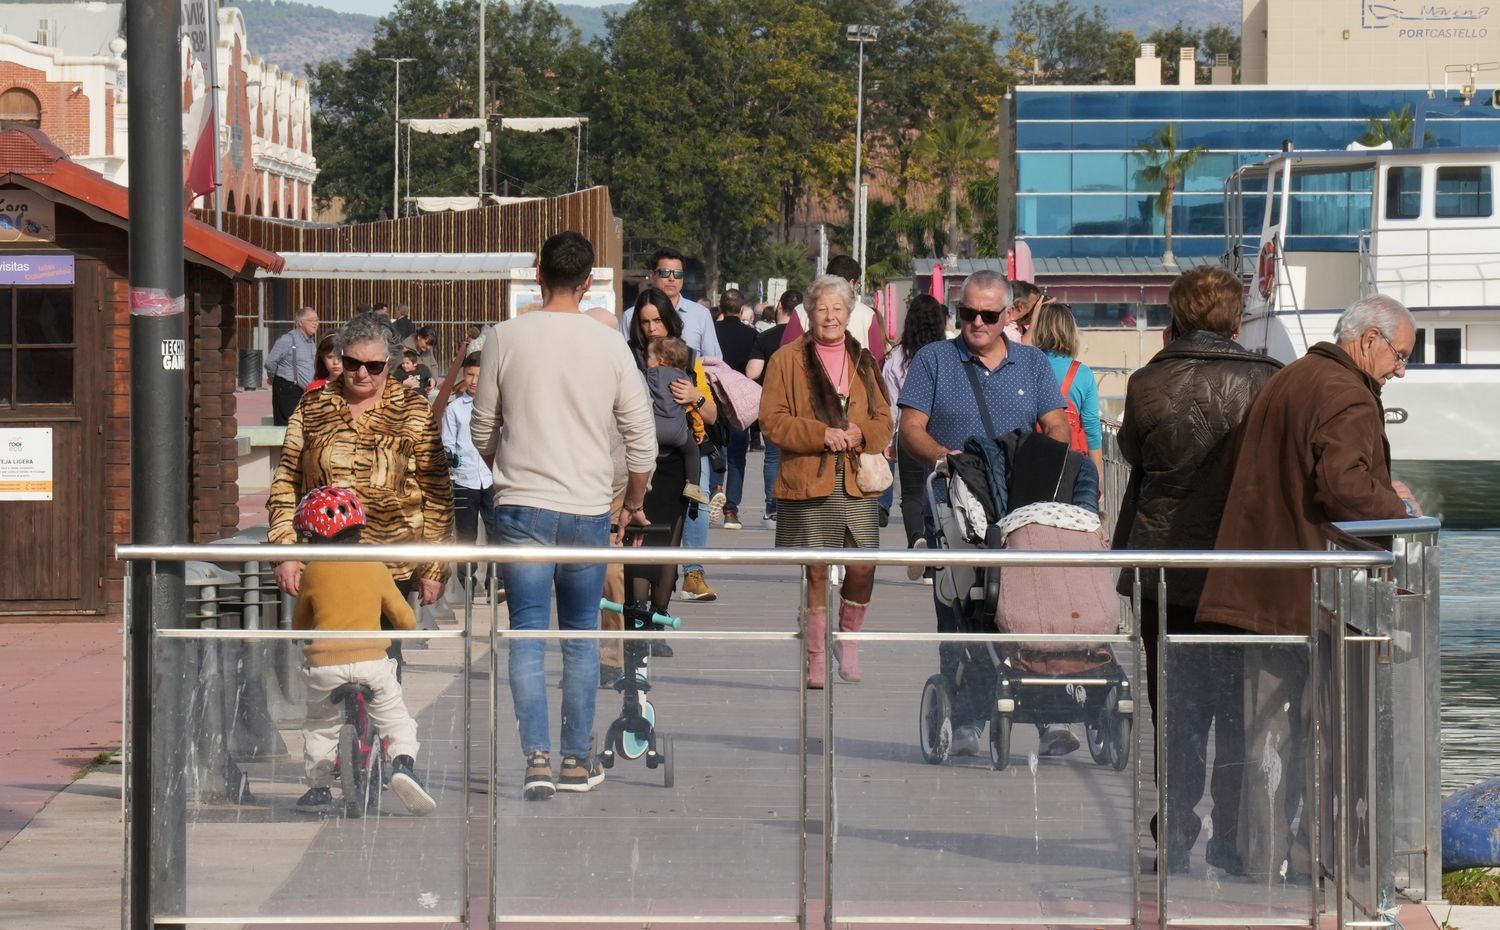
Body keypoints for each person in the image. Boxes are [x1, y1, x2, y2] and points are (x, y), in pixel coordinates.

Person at [1197, 294, 1418, 882]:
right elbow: (1344, 487)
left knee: (1267, 735)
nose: (1401, 370)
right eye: (1399, 355)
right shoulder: (1347, 392)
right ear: (1367, 341)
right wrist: (1396, 508)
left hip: (1260, 586)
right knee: (1327, 736)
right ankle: (1327, 867)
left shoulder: (1289, 379)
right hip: (1314, 594)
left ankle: (1262, 863)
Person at [471, 231, 657, 801]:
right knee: (579, 636)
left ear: (536, 273)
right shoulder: (609, 346)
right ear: (586, 283)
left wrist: (510, 463)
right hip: (586, 508)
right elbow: (642, 443)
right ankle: (578, 759)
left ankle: (537, 758)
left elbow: (480, 432)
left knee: (527, 634)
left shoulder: (504, 337)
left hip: (522, 505)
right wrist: (630, 502)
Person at [1112, 264, 1282, 874]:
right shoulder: (1268, 382)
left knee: (1175, 710)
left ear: (1175, 318)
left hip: (1164, 565)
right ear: (1237, 321)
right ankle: (1232, 842)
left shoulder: (1146, 384)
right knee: (1240, 710)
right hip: (1240, 567)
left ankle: (1174, 836)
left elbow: (1133, 453)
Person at [897, 270, 1071, 755]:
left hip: (1020, 507)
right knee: (960, 612)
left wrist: (1048, 465)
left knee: (1034, 613)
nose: (976, 322)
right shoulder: (936, 359)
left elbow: (1056, 424)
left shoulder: (1033, 363)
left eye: (988, 315)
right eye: (967, 312)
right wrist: (944, 459)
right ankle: (970, 720)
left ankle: (1048, 718)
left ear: (1008, 315)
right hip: (955, 506)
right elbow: (911, 426)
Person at [268, 311, 454, 669]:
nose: (362, 373)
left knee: (384, 664)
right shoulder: (314, 405)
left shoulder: (413, 410)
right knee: (326, 663)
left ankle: (379, 727)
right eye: (352, 363)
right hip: (323, 564)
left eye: (374, 366)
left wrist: (435, 566)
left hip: (391, 563)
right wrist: (285, 551)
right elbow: (286, 479)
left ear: (391, 364)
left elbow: (437, 495)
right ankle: (339, 725)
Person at [760, 274, 893, 689]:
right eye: (822, 309)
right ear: (809, 314)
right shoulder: (786, 359)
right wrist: (822, 434)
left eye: (838, 309)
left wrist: (861, 433)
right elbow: (772, 421)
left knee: (864, 564)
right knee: (816, 570)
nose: (830, 316)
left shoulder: (864, 360)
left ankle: (847, 641)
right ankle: (815, 656)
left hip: (855, 480)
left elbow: (884, 419)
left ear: (850, 314)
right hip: (808, 478)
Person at [288, 486, 436, 817]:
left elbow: (300, 624)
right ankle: (402, 764)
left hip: (325, 667)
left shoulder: (313, 571)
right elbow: (405, 619)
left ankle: (319, 786)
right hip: (371, 661)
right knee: (395, 718)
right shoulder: (376, 567)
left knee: (320, 725)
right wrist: (404, 629)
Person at [619, 249, 723, 600]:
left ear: (669, 321)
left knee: (668, 543)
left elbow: (711, 417)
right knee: (636, 544)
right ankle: (636, 620)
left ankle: (661, 613)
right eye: (644, 323)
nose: (650, 329)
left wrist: (694, 396)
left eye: (657, 322)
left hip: (676, 461)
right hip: (636, 461)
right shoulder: (626, 356)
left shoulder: (687, 358)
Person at [881, 295, 948, 578]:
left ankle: (915, 539)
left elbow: (889, 401)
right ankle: (935, 563)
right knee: (938, 495)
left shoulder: (897, 357)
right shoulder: (948, 354)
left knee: (910, 494)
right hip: (941, 434)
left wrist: (889, 440)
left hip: (907, 432)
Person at [1026, 298, 1105, 480]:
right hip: (1072, 465)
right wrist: (1097, 477)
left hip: (1032, 461)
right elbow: (1092, 427)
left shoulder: (1028, 366)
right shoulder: (1083, 374)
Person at [442, 353, 496, 601]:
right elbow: (448, 443)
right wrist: (452, 457)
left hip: (493, 478)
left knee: (497, 531)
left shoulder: (497, 406)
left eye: (479, 375)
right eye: (469, 375)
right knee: (466, 535)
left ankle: (496, 583)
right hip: (464, 480)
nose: (474, 380)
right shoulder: (454, 409)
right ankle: (468, 585)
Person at [747, 289, 800, 527]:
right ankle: (795, 506)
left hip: (771, 402)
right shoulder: (807, 338)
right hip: (799, 405)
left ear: (780, 307)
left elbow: (752, 372)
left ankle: (772, 508)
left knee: (772, 456)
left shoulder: (766, 337)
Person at [643, 336, 712, 506]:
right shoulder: (684, 380)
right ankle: (693, 486)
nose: (646, 359)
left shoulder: (647, 375)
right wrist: (698, 430)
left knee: (645, 455)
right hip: (677, 431)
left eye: (648, 356)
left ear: (660, 360)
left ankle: (645, 481)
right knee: (692, 452)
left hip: (652, 430)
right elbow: (692, 410)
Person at [780, 255, 885, 363]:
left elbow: (785, 358)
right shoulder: (867, 314)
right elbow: (877, 361)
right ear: (852, 283)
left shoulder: (801, 310)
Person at [712, 289, 758, 529]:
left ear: (720, 308)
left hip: (715, 399)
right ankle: (731, 509)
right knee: (738, 456)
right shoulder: (752, 335)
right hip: (740, 403)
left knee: (714, 451)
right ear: (741, 311)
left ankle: (715, 489)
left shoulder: (712, 332)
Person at [266, 307, 319, 425]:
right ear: (300, 322)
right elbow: (270, 362)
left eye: (317, 320)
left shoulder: (311, 342)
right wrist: (272, 378)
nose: (315, 323)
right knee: (287, 427)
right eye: (311, 320)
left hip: (305, 392)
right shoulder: (287, 339)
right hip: (288, 390)